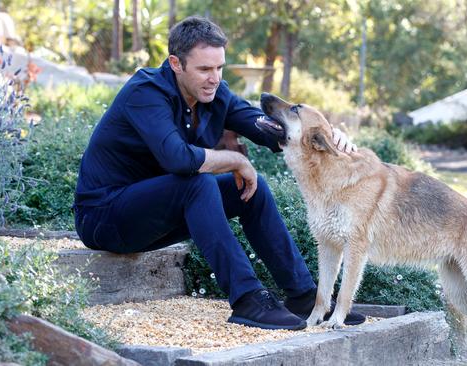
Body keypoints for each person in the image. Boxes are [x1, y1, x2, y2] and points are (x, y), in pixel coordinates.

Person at [73, 16, 365, 330]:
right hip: (105, 217)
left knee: (253, 191)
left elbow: (266, 128)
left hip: (155, 216)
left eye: (219, 68)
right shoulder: (145, 92)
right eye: (204, 69)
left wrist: (329, 137)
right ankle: (248, 299)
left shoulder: (214, 95)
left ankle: (303, 295)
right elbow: (178, 159)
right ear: (176, 63)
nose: (214, 78)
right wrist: (235, 161)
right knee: (196, 183)